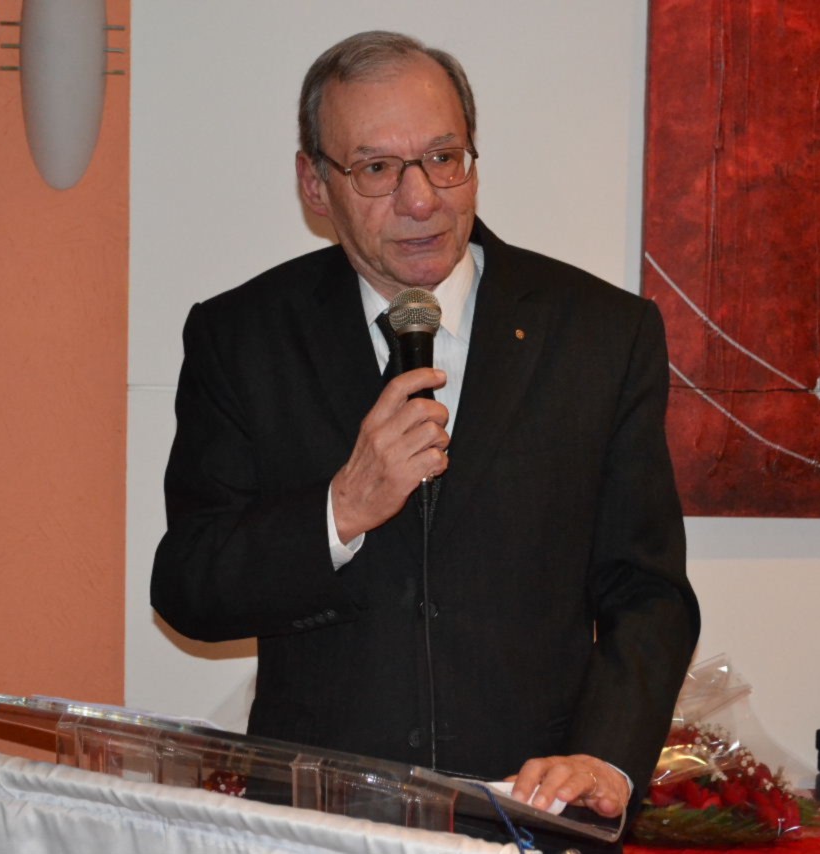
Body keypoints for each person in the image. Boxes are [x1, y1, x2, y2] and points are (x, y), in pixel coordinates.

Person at [151, 29, 699, 839]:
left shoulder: (601, 334)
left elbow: (647, 591)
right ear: (314, 184)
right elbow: (190, 587)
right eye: (377, 169)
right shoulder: (242, 337)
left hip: (534, 818)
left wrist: (606, 758)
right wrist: (339, 510)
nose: (421, 200)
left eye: (444, 158)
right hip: (319, 825)